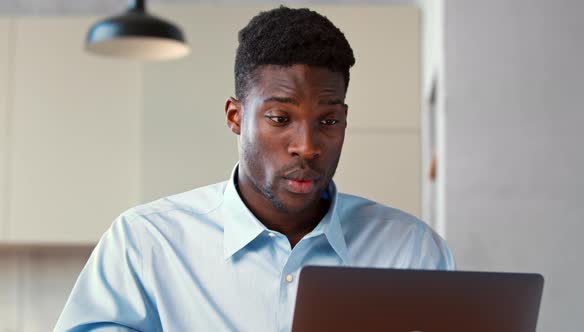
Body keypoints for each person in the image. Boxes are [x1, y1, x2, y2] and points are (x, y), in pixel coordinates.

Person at [55, 6, 454, 332]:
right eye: (280, 118)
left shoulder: (411, 252)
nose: (307, 146)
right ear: (235, 116)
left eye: (328, 121)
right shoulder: (145, 243)